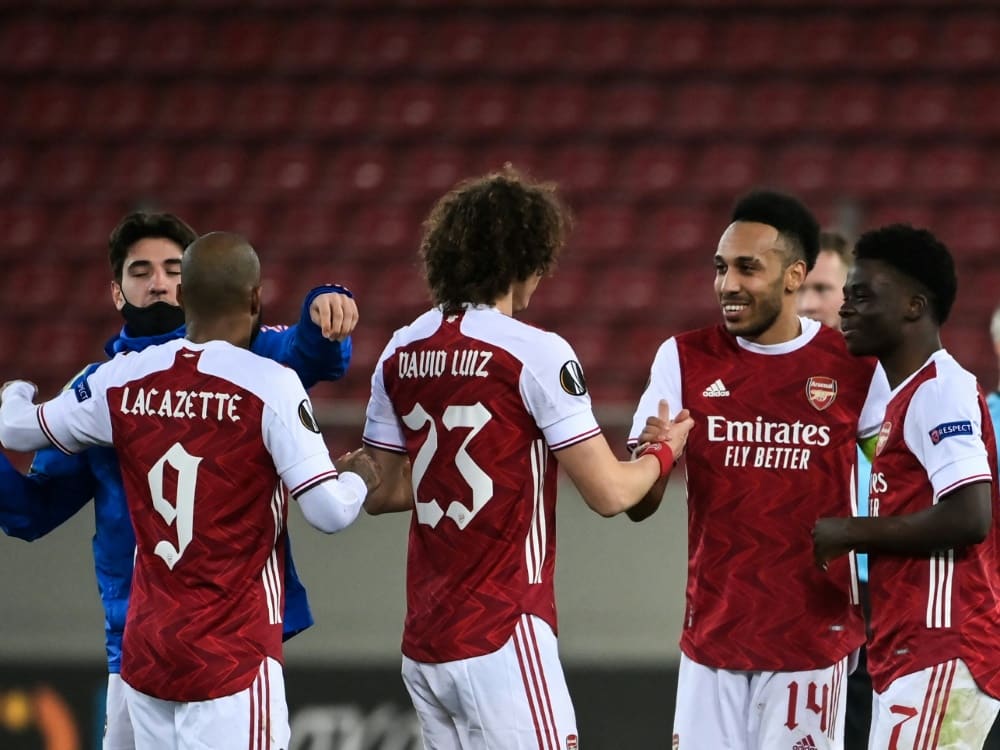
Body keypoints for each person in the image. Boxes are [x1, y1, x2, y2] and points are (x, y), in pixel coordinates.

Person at [0, 232, 380, 750]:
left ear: (183, 296)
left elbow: (16, 430)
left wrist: (16, 391)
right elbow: (329, 512)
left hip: (146, 651)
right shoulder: (269, 383)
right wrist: (360, 476)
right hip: (232, 654)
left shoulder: (120, 379)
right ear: (255, 298)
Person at [359, 167, 694, 749]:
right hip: (503, 632)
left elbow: (381, 491)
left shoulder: (400, 349)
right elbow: (610, 493)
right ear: (524, 257)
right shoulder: (533, 352)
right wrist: (664, 451)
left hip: (426, 643)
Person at [630, 190, 888, 749]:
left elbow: (896, 477)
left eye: (748, 268)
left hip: (812, 641)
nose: (728, 284)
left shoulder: (855, 367)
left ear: (794, 275)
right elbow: (640, 503)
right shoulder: (682, 359)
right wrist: (656, 457)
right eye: (720, 268)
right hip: (712, 639)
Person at [813, 224, 1000, 748]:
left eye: (863, 296)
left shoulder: (941, 390)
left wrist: (851, 532)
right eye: (846, 296)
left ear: (914, 306)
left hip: (944, 647)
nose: (846, 310)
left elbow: (970, 516)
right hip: (912, 651)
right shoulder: (904, 398)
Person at [797, 230, 874, 750]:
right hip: (802, 586)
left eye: (822, 288)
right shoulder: (771, 383)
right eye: (800, 289)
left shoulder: (880, 376)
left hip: (873, 582)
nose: (808, 303)